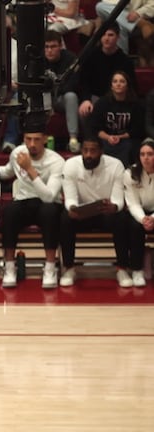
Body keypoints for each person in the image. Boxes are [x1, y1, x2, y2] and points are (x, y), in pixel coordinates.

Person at [0, 130, 65, 289]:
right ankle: (9, 267)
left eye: (36, 140)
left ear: (45, 140)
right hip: (23, 201)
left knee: (49, 213)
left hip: (48, 203)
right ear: (23, 139)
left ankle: (50, 268)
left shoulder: (57, 161)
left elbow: (49, 196)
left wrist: (30, 170)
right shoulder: (17, 153)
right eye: (28, 139)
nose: (32, 144)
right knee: (9, 212)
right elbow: (7, 171)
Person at [59, 137, 129, 287]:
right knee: (65, 218)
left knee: (122, 217)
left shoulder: (116, 165)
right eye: (85, 150)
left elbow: (119, 200)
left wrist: (114, 207)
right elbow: (70, 198)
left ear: (101, 152)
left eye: (93, 151)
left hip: (106, 214)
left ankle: (122, 269)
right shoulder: (71, 165)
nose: (88, 154)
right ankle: (69, 268)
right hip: (82, 214)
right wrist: (72, 208)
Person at [78, 22, 136, 133]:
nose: (106, 38)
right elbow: (84, 81)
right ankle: (91, 141)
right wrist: (85, 99)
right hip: (95, 97)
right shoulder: (91, 56)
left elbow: (131, 85)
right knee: (84, 110)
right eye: (103, 35)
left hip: (117, 98)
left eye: (110, 35)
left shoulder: (125, 60)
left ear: (118, 37)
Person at [90, 70, 145, 167]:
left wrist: (119, 137)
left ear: (127, 86)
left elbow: (137, 130)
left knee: (133, 146)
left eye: (122, 81)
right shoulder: (102, 103)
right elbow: (95, 128)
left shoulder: (135, 104)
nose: (118, 84)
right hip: (105, 138)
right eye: (115, 81)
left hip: (126, 139)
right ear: (111, 86)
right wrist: (108, 137)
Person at [122, 138, 154, 287]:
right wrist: (143, 219)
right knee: (134, 226)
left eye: (150, 154)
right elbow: (132, 202)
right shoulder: (130, 173)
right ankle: (137, 269)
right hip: (139, 212)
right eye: (142, 154)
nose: (146, 158)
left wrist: (153, 218)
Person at [43, 30, 81, 152]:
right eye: (46, 47)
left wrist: (56, 92)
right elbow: (39, 85)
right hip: (45, 97)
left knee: (71, 96)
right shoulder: (39, 60)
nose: (49, 50)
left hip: (62, 98)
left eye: (53, 46)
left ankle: (73, 139)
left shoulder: (70, 58)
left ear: (60, 46)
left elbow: (73, 84)